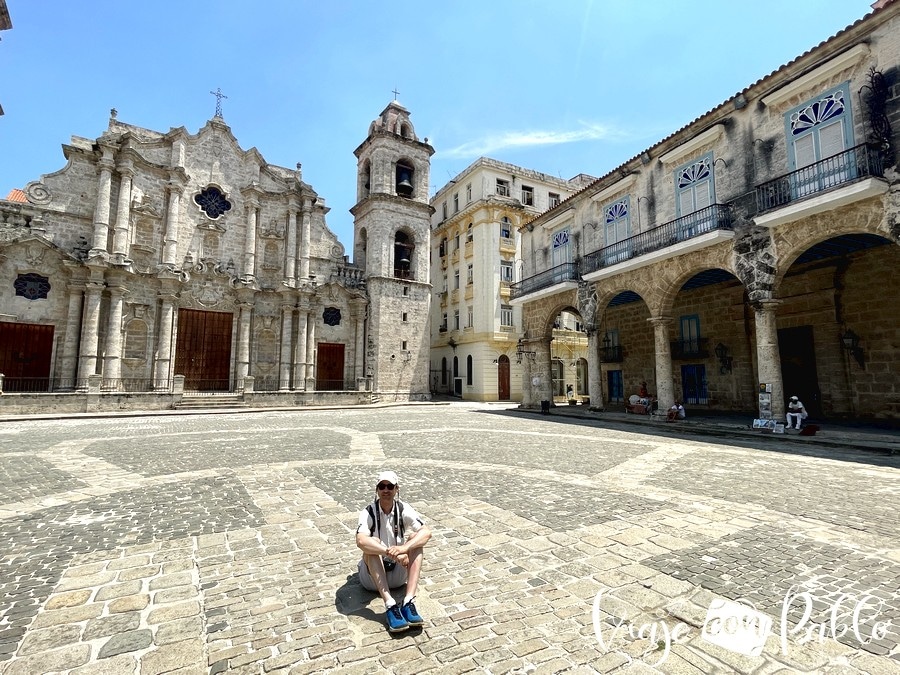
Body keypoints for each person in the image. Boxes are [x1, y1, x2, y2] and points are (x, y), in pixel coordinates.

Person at [356, 470, 431, 633]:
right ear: (377, 490)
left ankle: (408, 601)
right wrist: (388, 552)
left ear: (397, 489)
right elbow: (360, 540)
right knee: (371, 543)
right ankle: (390, 604)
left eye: (390, 486)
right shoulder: (368, 511)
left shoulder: (403, 508)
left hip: (397, 575)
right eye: (382, 486)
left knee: (415, 539)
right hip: (371, 577)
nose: (386, 490)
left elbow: (427, 532)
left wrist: (404, 548)